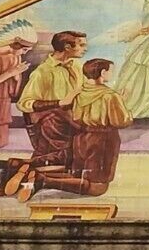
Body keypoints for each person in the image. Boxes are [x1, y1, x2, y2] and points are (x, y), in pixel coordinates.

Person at [34, 58, 130, 197]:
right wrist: (121, 103)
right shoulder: (111, 96)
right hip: (103, 139)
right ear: (103, 73)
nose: (111, 74)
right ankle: (43, 180)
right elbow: (121, 121)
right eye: (110, 71)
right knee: (98, 187)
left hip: (81, 138)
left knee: (80, 175)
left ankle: (38, 175)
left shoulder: (78, 93)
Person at [19, 32, 88, 174]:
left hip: (73, 120)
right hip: (52, 126)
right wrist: (59, 103)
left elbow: (87, 90)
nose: (85, 48)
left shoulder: (77, 66)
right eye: (81, 45)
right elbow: (25, 103)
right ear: (67, 47)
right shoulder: (42, 72)